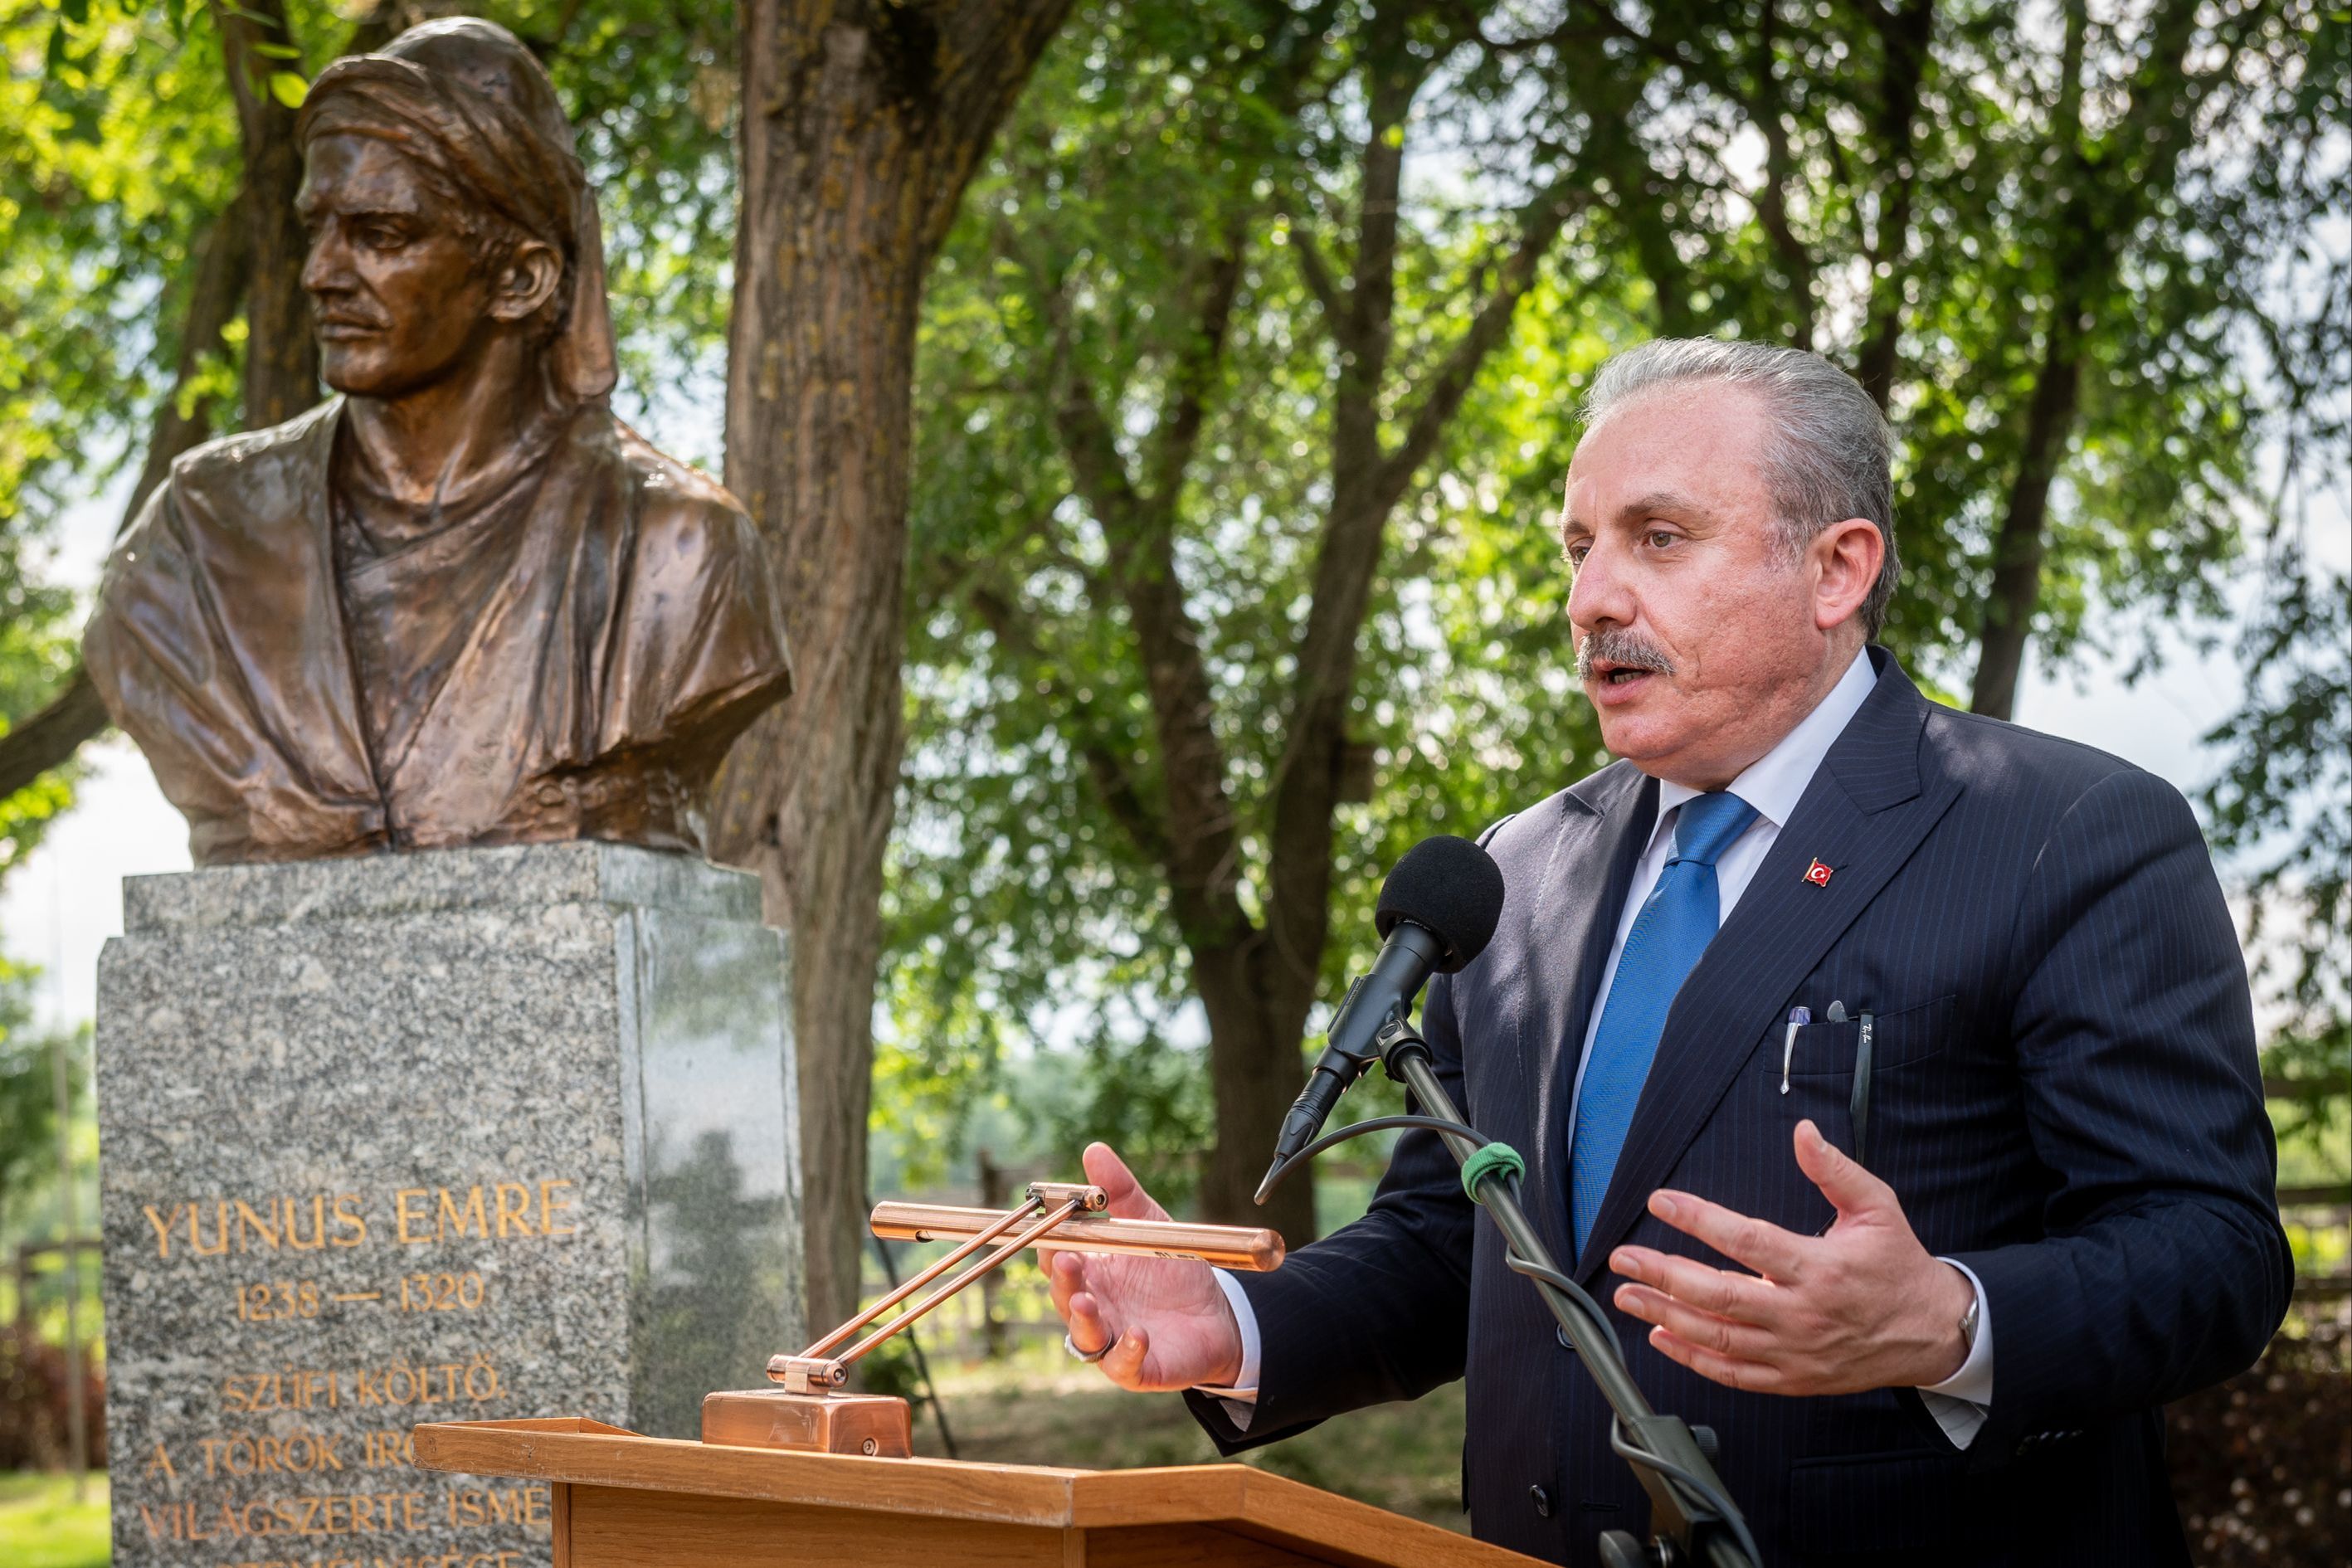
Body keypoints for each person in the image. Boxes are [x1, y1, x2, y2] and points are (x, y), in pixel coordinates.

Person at [1045, 339, 2289, 1565]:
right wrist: (1235, 1321)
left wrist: (1948, 1320)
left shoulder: (2061, 832)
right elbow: (1453, 1241)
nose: (1590, 598)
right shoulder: (1514, 873)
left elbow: (2210, 1253)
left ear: (1836, 569)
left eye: (1657, 537)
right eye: (1579, 547)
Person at [84, 18, 791, 865]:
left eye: (380, 235)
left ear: (520, 278)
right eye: (317, 229)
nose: (321, 273)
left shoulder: (677, 556)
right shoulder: (196, 543)